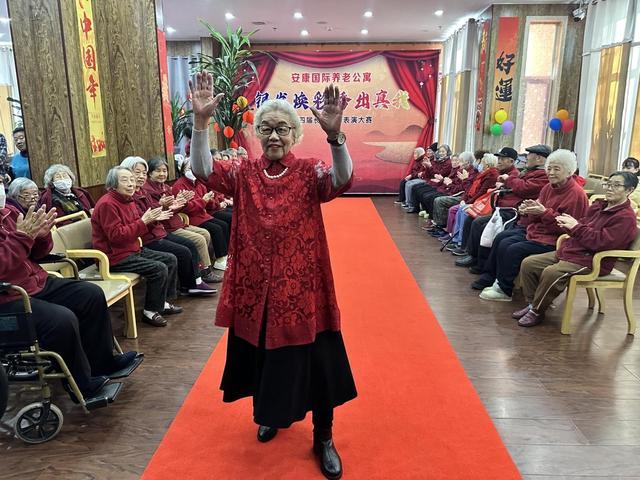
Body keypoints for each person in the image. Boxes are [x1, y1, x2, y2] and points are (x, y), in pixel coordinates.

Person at [189, 73, 357, 480]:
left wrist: (335, 138)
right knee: (263, 359)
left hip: (303, 289)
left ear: (295, 134)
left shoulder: (308, 172)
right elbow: (202, 170)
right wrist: (200, 124)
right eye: (266, 129)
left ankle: (323, 436)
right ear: (257, 134)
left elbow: (341, 180)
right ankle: (271, 414)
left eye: (283, 128)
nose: (274, 136)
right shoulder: (244, 172)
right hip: (257, 289)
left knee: (318, 365)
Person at [0, 175, 140, 400]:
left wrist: (40, 237)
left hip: (35, 282)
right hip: (9, 296)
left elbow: (38, 254)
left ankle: (103, 363)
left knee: (91, 294)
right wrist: (22, 238)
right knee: (61, 319)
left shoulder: (8, 212)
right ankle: (81, 386)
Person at [515, 171, 639, 327]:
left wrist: (576, 227)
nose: (609, 188)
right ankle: (532, 304)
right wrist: (568, 222)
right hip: (575, 251)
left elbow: (601, 242)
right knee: (529, 263)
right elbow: (582, 225)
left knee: (552, 272)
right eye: (608, 184)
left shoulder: (625, 217)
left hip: (593, 260)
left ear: (629, 190)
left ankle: (537, 311)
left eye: (616, 185)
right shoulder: (599, 206)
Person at [473, 150, 589, 301]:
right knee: (502, 237)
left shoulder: (576, 194)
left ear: (569, 171)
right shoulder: (548, 187)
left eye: (556, 169)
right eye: (549, 168)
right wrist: (528, 210)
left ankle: (505, 289)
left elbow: (567, 229)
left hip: (555, 239)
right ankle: (493, 278)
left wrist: (543, 213)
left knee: (513, 248)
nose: (551, 173)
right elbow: (538, 211)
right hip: (537, 231)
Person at [92, 166, 183, 327]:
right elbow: (117, 236)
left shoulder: (128, 199)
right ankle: (150, 311)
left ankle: (162, 302)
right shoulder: (107, 204)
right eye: (125, 180)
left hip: (132, 249)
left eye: (132, 180)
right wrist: (143, 221)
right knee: (159, 268)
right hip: (114, 257)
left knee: (170, 259)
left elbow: (138, 228)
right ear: (113, 184)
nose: (131, 184)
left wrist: (152, 220)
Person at [120, 156, 216, 296]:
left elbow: (157, 214)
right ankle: (189, 285)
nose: (140, 177)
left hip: (159, 230)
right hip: (149, 237)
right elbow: (140, 221)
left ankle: (195, 281)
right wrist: (160, 209)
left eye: (143, 173)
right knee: (186, 248)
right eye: (136, 173)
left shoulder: (148, 191)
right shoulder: (125, 198)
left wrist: (173, 205)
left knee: (193, 243)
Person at [455, 145, 549, 270]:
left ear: (539, 158)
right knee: (473, 219)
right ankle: (472, 254)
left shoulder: (539, 175)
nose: (526, 158)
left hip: (512, 211)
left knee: (482, 224)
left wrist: (508, 181)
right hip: (503, 207)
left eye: (502, 159)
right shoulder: (527, 172)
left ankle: (480, 262)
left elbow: (524, 188)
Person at [145, 157, 222, 283]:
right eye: (158, 171)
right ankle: (204, 272)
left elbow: (175, 209)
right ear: (150, 173)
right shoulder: (152, 190)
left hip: (179, 222)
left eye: (164, 171)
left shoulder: (166, 187)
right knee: (201, 238)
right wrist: (165, 205)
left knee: (207, 233)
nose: (162, 174)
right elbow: (156, 213)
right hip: (168, 227)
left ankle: (201, 266)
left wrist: (180, 202)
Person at [172, 159, 230, 271]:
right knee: (216, 228)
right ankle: (219, 260)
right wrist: (203, 201)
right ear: (183, 170)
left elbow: (208, 204)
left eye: (193, 168)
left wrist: (210, 200)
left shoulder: (199, 183)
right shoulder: (179, 185)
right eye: (188, 168)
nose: (191, 171)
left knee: (223, 225)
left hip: (204, 215)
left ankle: (225, 255)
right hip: (192, 218)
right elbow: (187, 208)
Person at [443, 153, 500, 250]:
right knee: (458, 209)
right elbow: (469, 189)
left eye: (481, 162)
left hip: (480, 202)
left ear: (487, 165)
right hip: (470, 198)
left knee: (463, 211)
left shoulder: (491, 176)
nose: (479, 164)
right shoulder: (482, 174)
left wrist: (468, 202)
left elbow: (481, 193)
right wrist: (464, 200)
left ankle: (461, 242)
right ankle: (455, 239)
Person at [423, 151, 477, 237]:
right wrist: (448, 183)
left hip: (462, 196)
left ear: (467, 162)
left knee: (439, 200)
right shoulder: (462, 170)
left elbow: (464, 189)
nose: (459, 163)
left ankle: (441, 227)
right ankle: (437, 224)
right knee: (433, 197)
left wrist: (454, 183)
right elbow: (455, 184)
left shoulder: (472, 173)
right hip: (453, 191)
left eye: (460, 161)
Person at [405, 144, 452, 213]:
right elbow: (430, 173)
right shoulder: (438, 160)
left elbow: (439, 174)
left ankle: (425, 210)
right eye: (440, 151)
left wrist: (430, 167)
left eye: (443, 151)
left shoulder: (448, 163)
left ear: (447, 152)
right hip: (431, 180)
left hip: (438, 184)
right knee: (414, 187)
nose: (441, 153)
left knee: (421, 191)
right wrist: (427, 167)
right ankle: (415, 207)